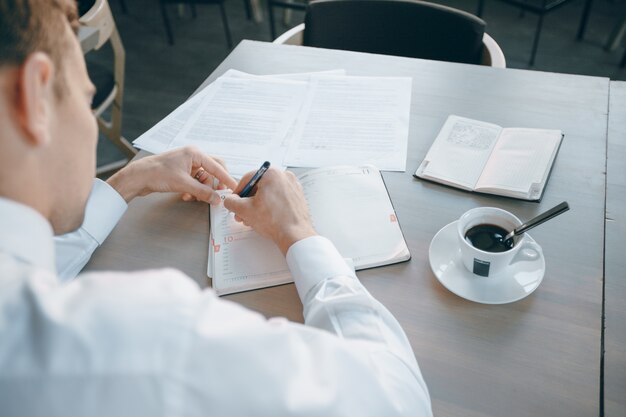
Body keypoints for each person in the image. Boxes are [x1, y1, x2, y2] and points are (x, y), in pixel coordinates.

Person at [0, 1, 432, 416]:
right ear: (35, 96)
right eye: (84, 97)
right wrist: (299, 232)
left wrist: (131, 179)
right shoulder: (144, 338)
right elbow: (395, 400)